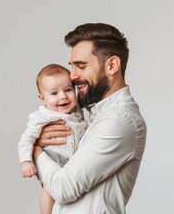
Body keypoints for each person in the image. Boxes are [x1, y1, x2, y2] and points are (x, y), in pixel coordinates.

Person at [32, 23, 147, 214]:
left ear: (112, 65)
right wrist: (50, 150)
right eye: (72, 66)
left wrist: (36, 151)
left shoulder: (120, 120)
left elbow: (64, 188)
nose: (72, 75)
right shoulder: (95, 116)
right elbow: (56, 179)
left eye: (81, 66)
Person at [18, 64, 87, 214]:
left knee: (70, 194)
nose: (63, 96)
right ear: (42, 98)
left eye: (68, 90)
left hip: (72, 162)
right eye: (54, 93)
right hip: (52, 159)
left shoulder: (76, 110)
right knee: (49, 191)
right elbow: (27, 138)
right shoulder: (42, 116)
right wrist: (26, 161)